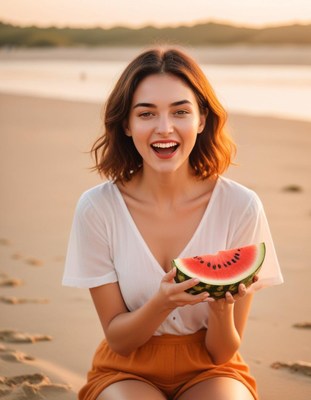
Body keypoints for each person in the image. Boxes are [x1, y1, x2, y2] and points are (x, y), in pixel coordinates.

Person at [62, 47, 283, 400]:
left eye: (180, 111)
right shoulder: (98, 208)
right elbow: (119, 340)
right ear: (127, 125)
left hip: (211, 369)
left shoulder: (241, 206)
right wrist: (162, 303)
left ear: (201, 119)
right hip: (125, 368)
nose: (164, 128)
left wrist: (221, 309)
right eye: (146, 114)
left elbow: (222, 352)